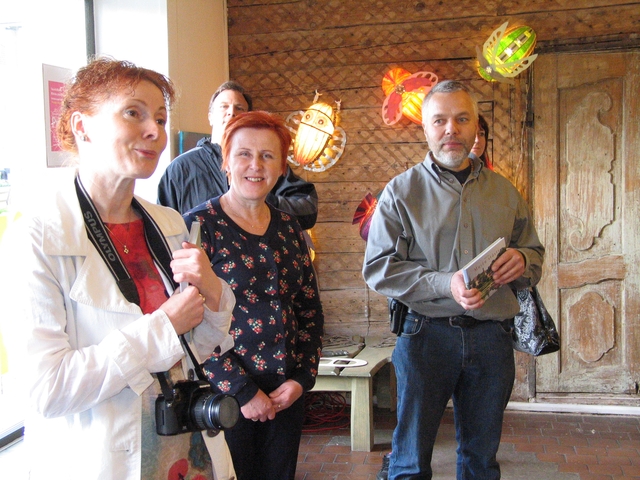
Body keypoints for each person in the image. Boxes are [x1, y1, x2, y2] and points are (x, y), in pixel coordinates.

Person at [0, 58, 237, 480]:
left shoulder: (167, 223)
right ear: (82, 126)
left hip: (187, 454)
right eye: (133, 113)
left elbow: (193, 349)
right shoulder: (37, 236)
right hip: (99, 462)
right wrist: (163, 326)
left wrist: (214, 294)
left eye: (160, 119)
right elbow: (46, 389)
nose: (155, 131)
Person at [363, 80, 544, 480]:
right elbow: (378, 268)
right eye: (440, 120)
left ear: (476, 126)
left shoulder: (504, 192)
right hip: (425, 337)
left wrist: (523, 259)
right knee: (409, 462)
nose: (451, 129)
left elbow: (534, 255)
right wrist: (446, 284)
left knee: (481, 463)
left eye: (462, 119)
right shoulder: (400, 192)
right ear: (425, 128)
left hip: (492, 339)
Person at [183, 110, 324, 480]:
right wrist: (243, 391)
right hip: (224, 397)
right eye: (244, 154)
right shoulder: (198, 227)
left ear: (281, 167)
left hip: (286, 395)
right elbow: (188, 326)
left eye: (267, 156)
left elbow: (309, 310)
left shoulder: (290, 228)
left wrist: (302, 378)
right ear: (226, 161)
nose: (255, 165)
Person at [157, 81, 319, 229]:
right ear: (210, 117)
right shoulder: (180, 168)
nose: (231, 112)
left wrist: (259, 202)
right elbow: (162, 228)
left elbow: (308, 209)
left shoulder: (267, 165)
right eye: (224, 106)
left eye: (239, 108)